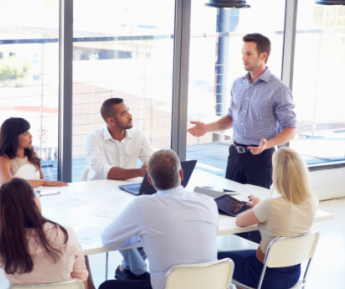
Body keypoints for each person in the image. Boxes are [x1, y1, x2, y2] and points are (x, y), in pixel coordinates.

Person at [187, 33, 296, 190]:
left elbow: (290, 128)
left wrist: (267, 145)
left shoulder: (279, 89)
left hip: (261, 157)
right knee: (229, 202)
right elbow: (231, 118)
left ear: (263, 55)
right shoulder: (237, 84)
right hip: (235, 155)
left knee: (256, 207)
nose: (244, 57)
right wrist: (207, 128)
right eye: (243, 53)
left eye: (249, 53)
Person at [99, 149, 219, 289]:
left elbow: (109, 241)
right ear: (181, 174)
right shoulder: (208, 202)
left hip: (168, 286)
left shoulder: (143, 205)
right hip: (211, 284)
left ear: (149, 180)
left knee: (106, 286)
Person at [217, 148, 318, 289]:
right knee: (243, 256)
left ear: (277, 174)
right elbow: (284, 215)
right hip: (294, 274)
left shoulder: (271, 205)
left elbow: (240, 222)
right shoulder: (312, 199)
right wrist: (260, 207)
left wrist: (258, 207)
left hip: (263, 276)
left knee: (218, 259)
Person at [83, 98, 155, 280]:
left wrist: (153, 166)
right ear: (111, 121)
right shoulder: (93, 138)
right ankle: (135, 270)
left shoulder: (138, 135)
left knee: (151, 224)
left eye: (128, 111)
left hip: (129, 193)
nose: (130, 115)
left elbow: (152, 161)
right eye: (124, 113)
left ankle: (128, 268)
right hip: (99, 196)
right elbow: (103, 171)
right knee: (124, 229)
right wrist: (139, 171)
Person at [0, 178, 89, 286]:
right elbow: (80, 277)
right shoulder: (65, 234)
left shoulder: (3, 245)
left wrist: (2, 223)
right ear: (32, 200)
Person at [0, 117, 67, 190]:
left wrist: (44, 182)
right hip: (13, 202)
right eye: (25, 133)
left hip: (34, 199)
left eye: (29, 131)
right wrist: (44, 182)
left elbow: (41, 182)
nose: (31, 136)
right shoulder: (2, 160)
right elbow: (9, 183)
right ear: (12, 138)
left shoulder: (33, 156)